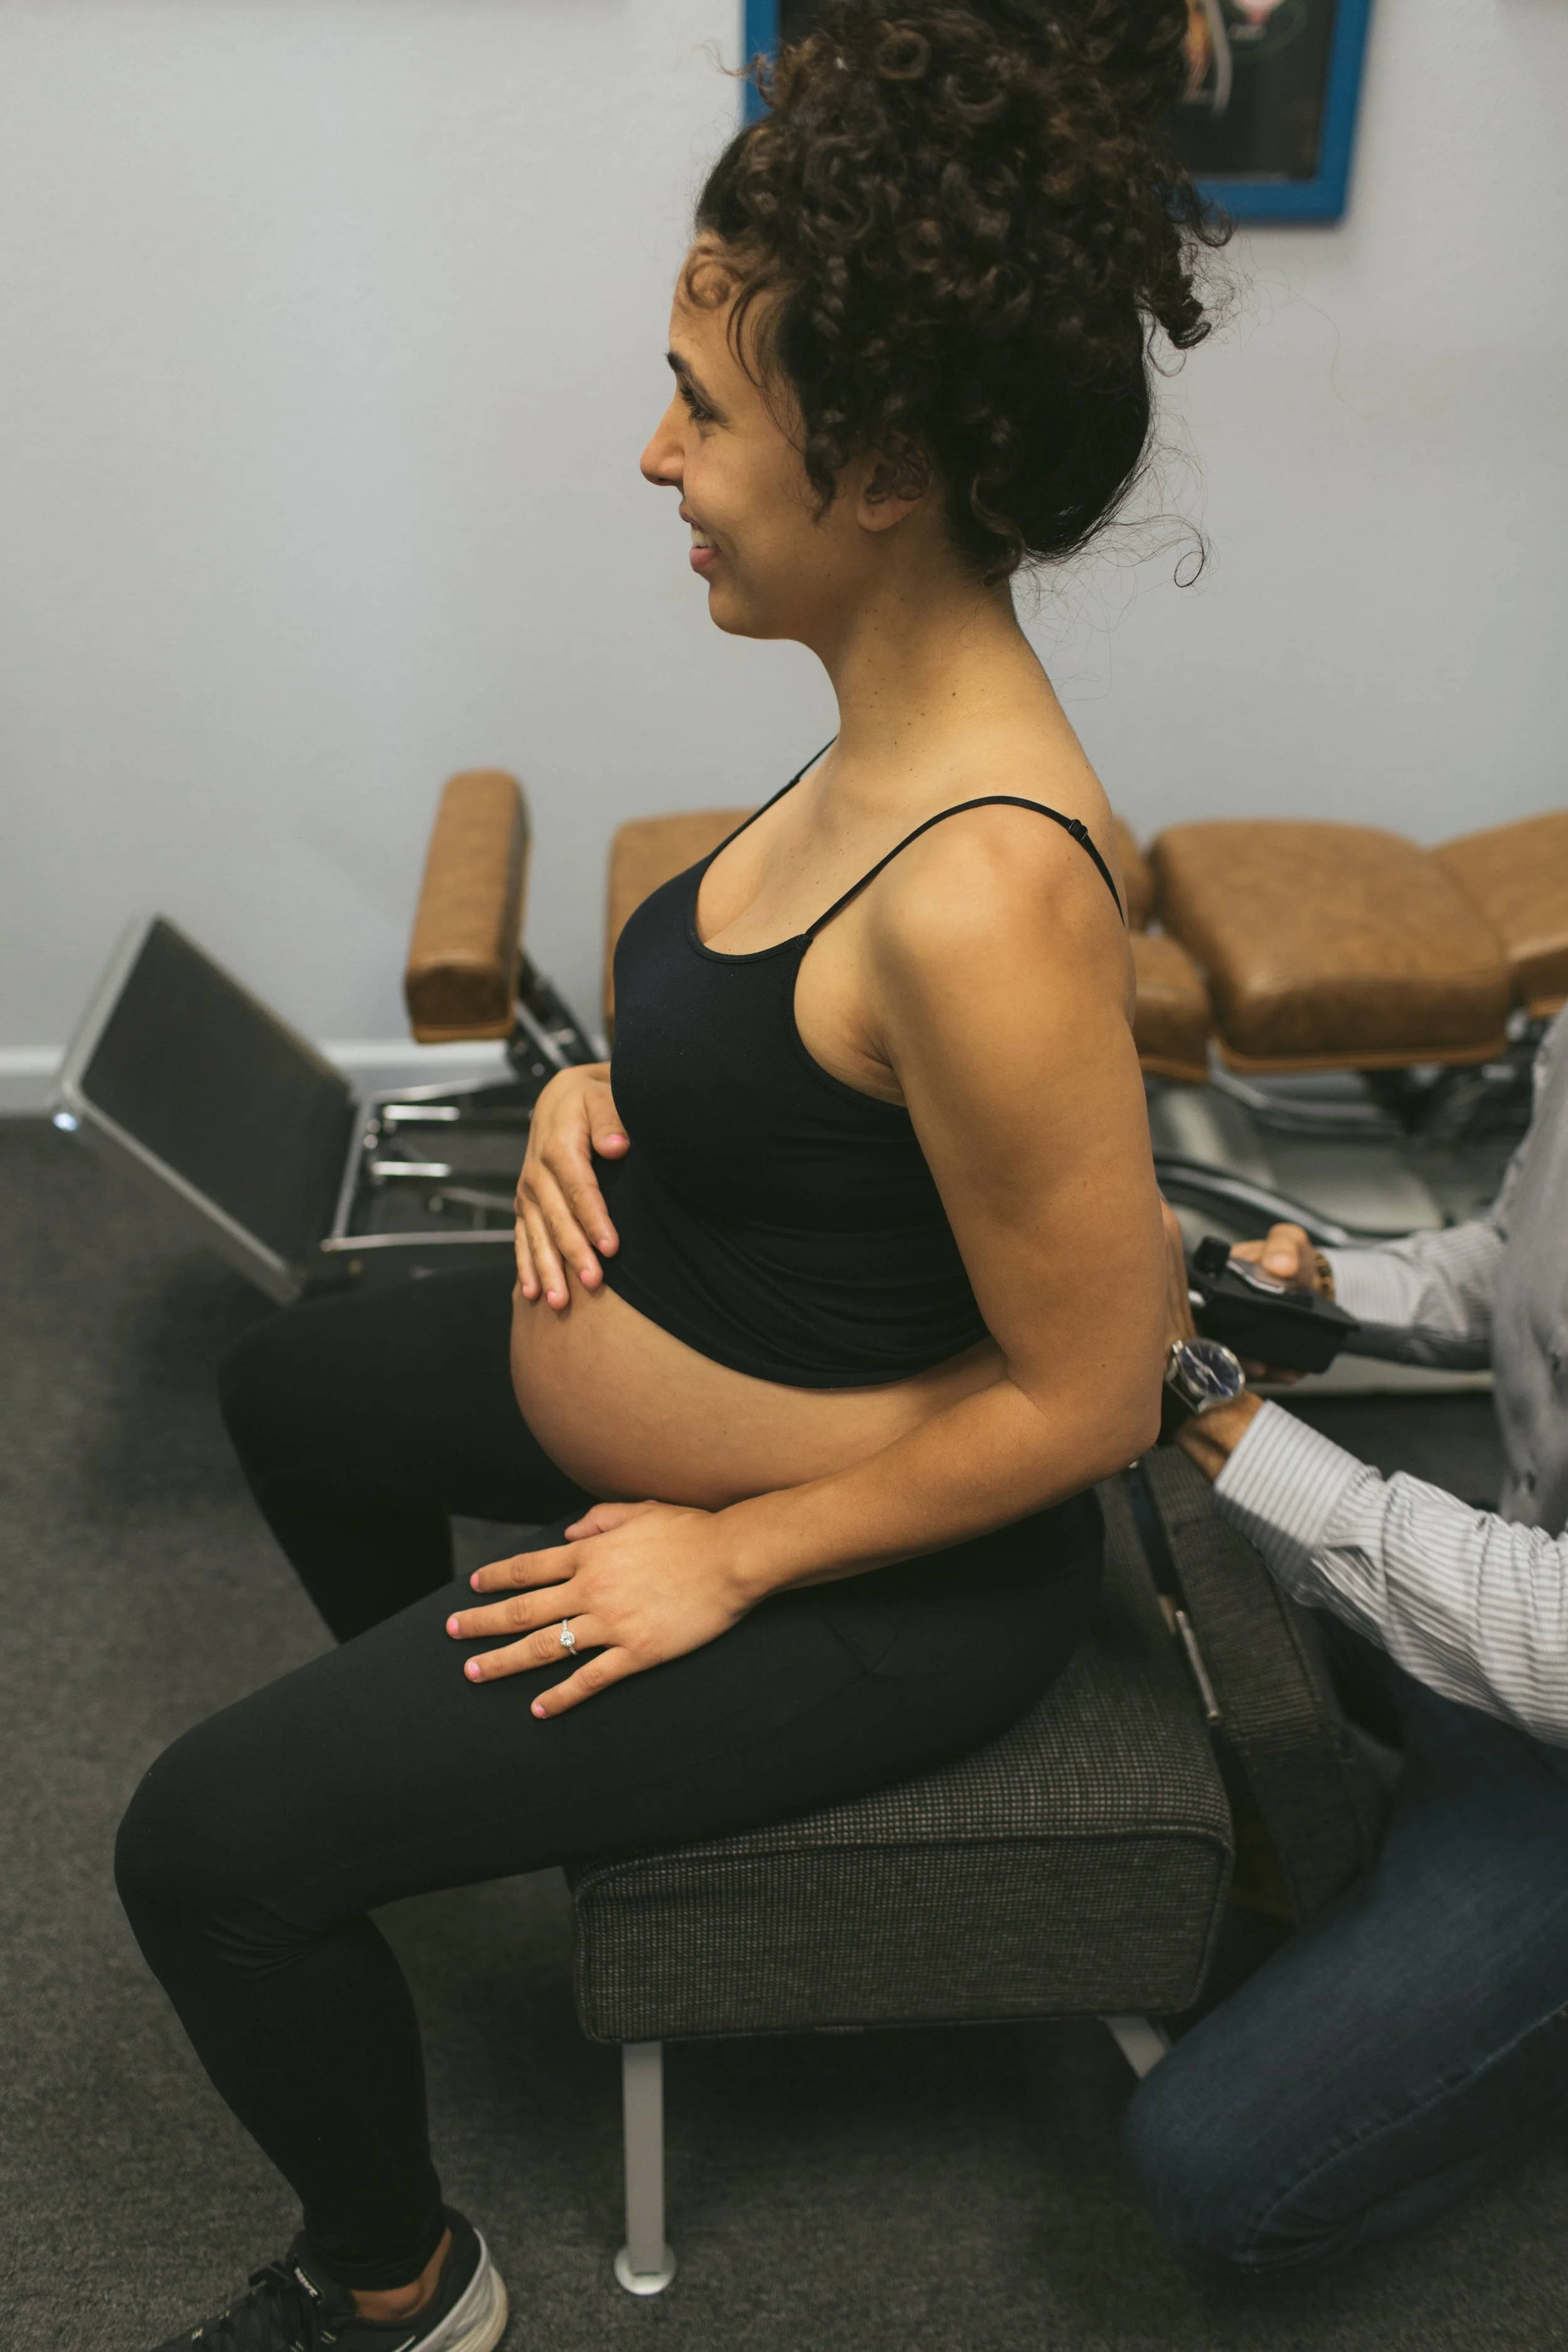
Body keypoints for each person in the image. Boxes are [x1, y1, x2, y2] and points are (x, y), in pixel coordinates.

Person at [114, 6, 1219, 2345]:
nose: (656, 454)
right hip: (686, 1354)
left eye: (707, 409)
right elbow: (789, 1064)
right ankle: (451, 1786)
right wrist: (581, 1093)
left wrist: (730, 1554)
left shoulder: (991, 887)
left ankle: (399, 2289)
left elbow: (1100, 1398)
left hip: (879, 1588)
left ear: (890, 458)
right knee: (293, 1396)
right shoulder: (862, 740)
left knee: (201, 1850)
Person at [1126, 1002, 1568, 2274]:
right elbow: (1509, 1264)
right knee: (1154, 1502)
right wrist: (1328, 1293)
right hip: (1504, 1619)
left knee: (1209, 2176)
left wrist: (1215, 1417)